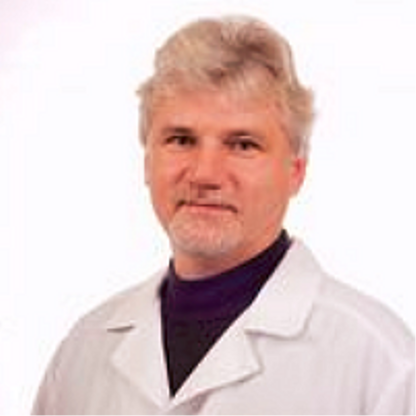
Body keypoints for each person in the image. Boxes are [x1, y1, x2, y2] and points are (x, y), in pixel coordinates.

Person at [32, 15, 416, 415]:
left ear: (296, 171)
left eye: (242, 144)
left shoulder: (382, 364)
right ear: (147, 163)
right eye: (181, 139)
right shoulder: (83, 352)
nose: (205, 173)